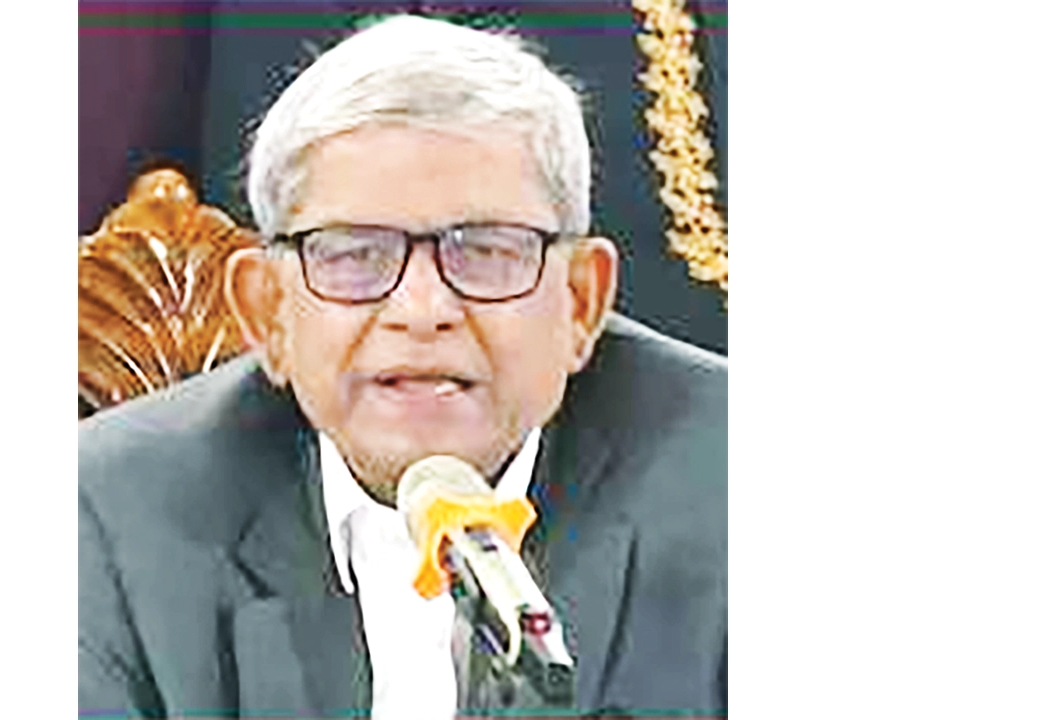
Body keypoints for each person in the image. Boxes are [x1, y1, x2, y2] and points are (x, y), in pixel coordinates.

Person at [79, 15, 726, 719]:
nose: (421, 311)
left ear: (579, 301)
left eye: (486, 250)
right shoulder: (107, 519)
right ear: (269, 312)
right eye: (354, 254)